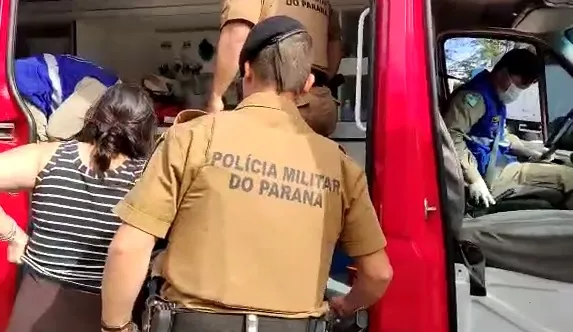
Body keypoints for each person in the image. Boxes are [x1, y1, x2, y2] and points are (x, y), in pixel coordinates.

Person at [101, 16, 392, 332]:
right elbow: (378, 274)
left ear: (247, 70)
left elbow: (129, 247)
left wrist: (115, 327)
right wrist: (346, 306)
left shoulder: (192, 137)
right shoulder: (340, 165)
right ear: (307, 84)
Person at [0, 83, 156, 332]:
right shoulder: (149, 178)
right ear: (146, 130)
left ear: (95, 117)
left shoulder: (50, 157)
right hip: (106, 318)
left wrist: (13, 235)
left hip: (34, 313)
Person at [444, 48, 573, 209]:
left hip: (500, 165)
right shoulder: (475, 99)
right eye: (522, 83)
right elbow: (451, 136)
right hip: (490, 176)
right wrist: (474, 179)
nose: (521, 90)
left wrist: (528, 151)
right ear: (504, 72)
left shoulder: (494, 98)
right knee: (569, 179)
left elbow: (500, 136)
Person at [205, 0, 343, 136]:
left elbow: (236, 36)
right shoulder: (325, 3)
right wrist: (316, 84)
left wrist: (216, 98)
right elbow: (335, 47)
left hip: (274, 101)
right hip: (321, 103)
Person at [15, 53, 120, 141]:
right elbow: (57, 132)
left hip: (25, 77)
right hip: (23, 86)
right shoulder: (101, 89)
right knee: (44, 150)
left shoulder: (105, 80)